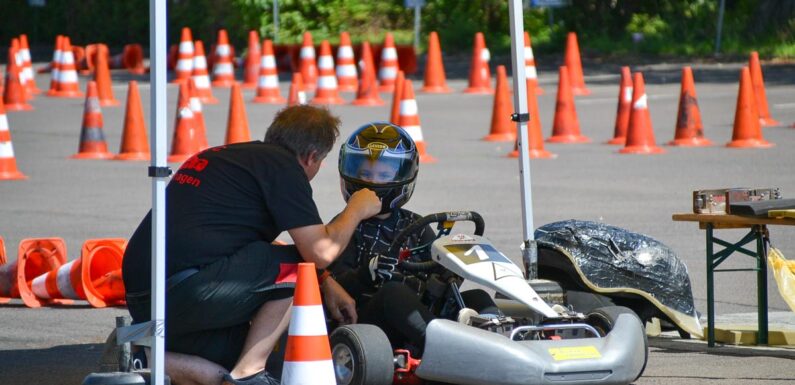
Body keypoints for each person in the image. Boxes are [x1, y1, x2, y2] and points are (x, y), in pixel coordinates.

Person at [121, 105, 381, 385]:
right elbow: (320, 252)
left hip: (147, 297)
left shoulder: (228, 158)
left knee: (250, 346)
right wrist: (356, 208)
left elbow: (245, 248)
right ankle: (249, 374)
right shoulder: (283, 167)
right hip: (183, 290)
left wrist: (326, 282)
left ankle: (142, 356)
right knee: (297, 268)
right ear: (311, 157)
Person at [328, 122, 499, 354]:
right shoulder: (345, 226)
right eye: (365, 174)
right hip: (368, 322)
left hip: (417, 314)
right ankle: (449, 353)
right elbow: (330, 288)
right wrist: (364, 275)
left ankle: (501, 346)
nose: (373, 183)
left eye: (384, 175)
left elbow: (434, 281)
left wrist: (448, 273)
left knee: (477, 297)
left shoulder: (416, 225)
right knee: (393, 292)